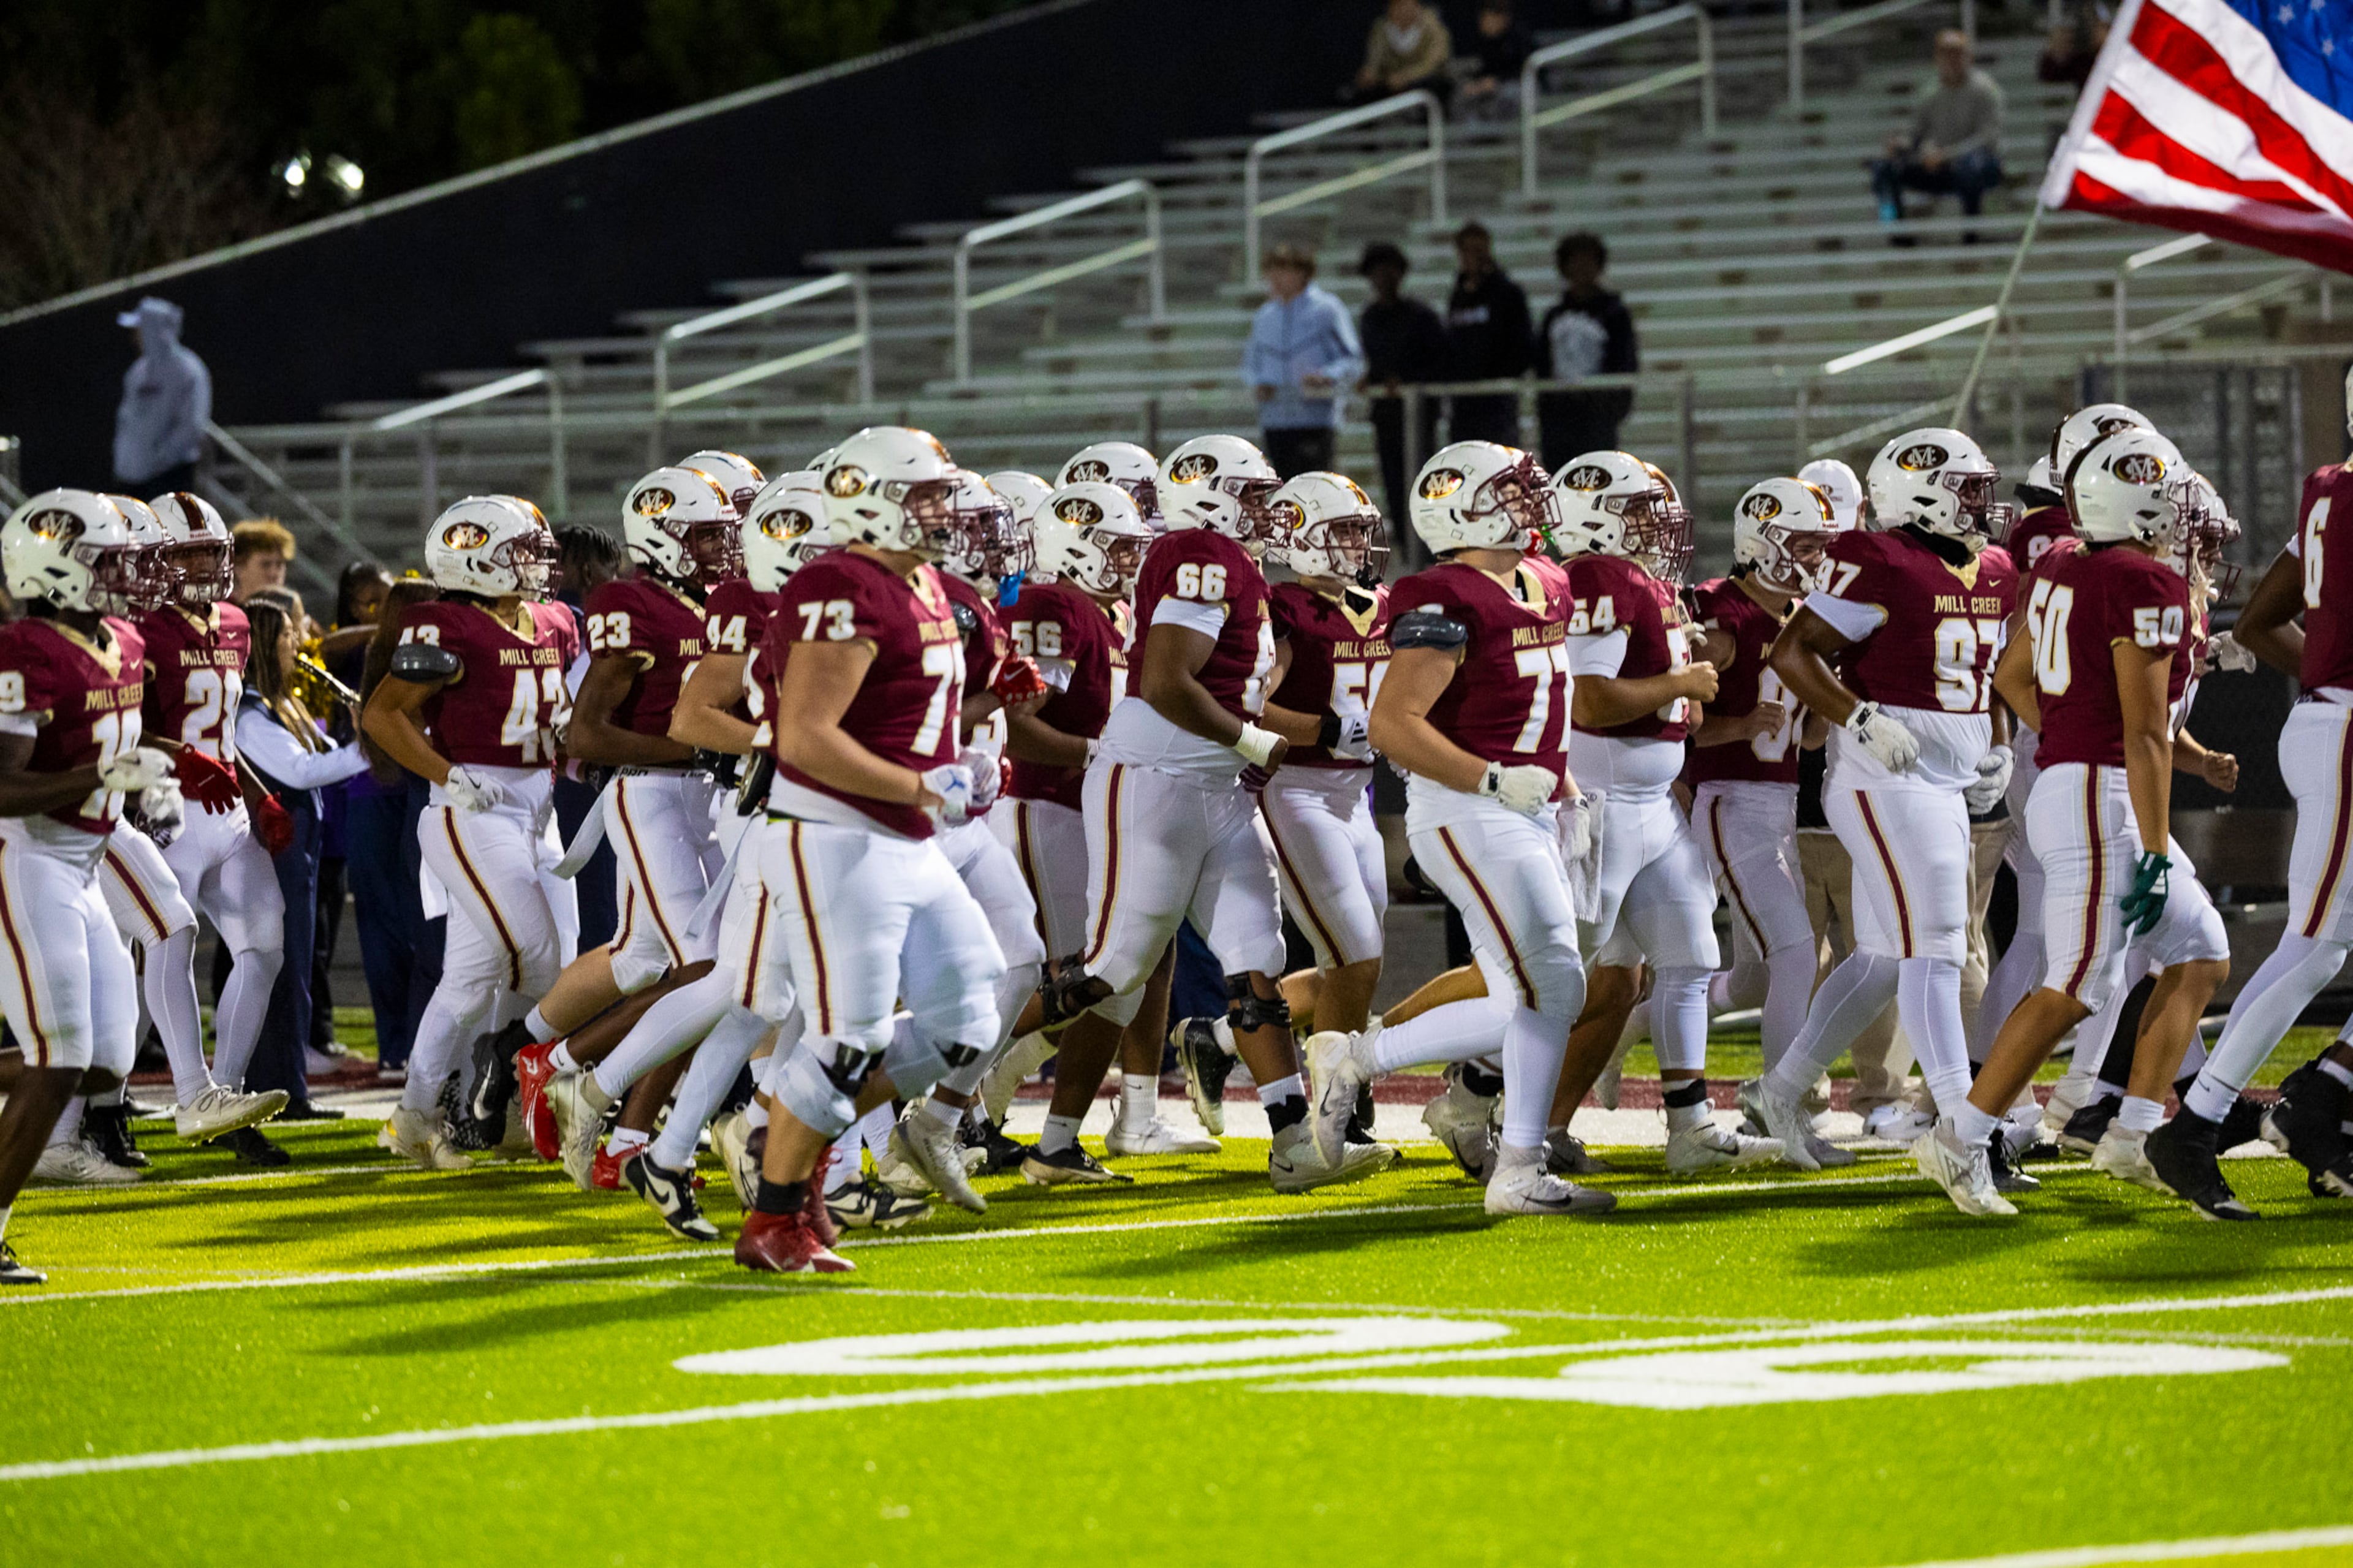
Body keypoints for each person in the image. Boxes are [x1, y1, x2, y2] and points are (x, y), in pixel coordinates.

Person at [1034, 434, 1389, 1194]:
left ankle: (1294, 1143)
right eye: (1253, 495)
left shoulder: (1236, 564)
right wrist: (1252, 737)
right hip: (1157, 775)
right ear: (1212, 495)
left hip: (1215, 788)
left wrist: (1246, 742)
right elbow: (1166, 681)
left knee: (1255, 958)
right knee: (1113, 969)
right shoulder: (1202, 552)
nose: (1267, 510)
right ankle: (946, 1092)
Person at [733, 425, 1010, 1275]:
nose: (941, 508)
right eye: (924, 493)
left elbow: (898, 717)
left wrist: (959, 759)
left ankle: (799, 1135)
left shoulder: (922, 581)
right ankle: (773, 1214)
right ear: (867, 496)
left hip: (904, 834)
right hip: (835, 836)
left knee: (969, 1018)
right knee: (847, 1035)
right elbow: (805, 735)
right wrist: (924, 785)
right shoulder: (838, 582)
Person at [1320, 441, 1610, 1214]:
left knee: (1531, 991)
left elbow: (1533, 708)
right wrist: (1489, 779)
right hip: (1468, 810)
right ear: (1463, 506)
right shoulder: (1442, 594)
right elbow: (1393, 723)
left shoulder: (1544, 580)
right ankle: (1511, 1163)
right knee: (1554, 985)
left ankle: (1372, 1068)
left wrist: (1569, 791)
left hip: (1526, 807)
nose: (1531, 505)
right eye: (1513, 494)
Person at [1753, 428, 2018, 1207]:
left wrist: (1995, 746)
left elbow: (1986, 674)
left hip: (1947, 776)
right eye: (1967, 489)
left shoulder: (1996, 568)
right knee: (1936, 950)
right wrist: (1859, 718)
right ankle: (1959, 1137)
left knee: (1880, 961)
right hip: (1884, 778)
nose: (1980, 504)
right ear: (1922, 491)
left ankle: (1783, 1090)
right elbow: (1793, 653)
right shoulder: (1878, 558)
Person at [2162, 368, 2353, 1208]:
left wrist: (2329, 673)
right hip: (2347, 730)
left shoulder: (2331, 490)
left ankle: (2323, 1099)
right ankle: (2198, 1120)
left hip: (2333, 716)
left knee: (2323, 943)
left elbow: (2262, 618)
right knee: (2314, 946)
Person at [0, 490, 186, 1282]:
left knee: (106, 1059)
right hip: (26, 851)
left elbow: (111, 753)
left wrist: (149, 783)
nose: (124, 576)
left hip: (86, 855)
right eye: (107, 561)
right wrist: (98, 774)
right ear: (58, 566)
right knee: (60, 1054)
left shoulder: (126, 642)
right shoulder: (23, 648)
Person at [360, 494, 578, 1170]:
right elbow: (382, 715)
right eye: (520, 552)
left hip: (538, 805)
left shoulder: (553, 621)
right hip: (472, 808)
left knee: (471, 977)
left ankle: (415, 1117)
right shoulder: (447, 625)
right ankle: (492, 1089)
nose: (536, 565)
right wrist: (446, 774)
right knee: (537, 957)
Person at [1690, 479, 1839, 1112]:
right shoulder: (1724, 616)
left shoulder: (1798, 621)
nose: (1814, 559)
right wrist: (1737, 725)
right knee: (1798, 953)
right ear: (1763, 543)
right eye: (1803, 545)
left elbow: (1806, 741)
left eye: (1818, 546)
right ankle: (1780, 1102)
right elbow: (1681, 723)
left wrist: (1835, 692)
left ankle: (1624, 1032)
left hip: (1777, 806)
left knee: (1752, 978)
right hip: (1729, 800)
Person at [237, 594, 371, 1118]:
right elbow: (301, 772)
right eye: (289, 635)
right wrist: (366, 747)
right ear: (267, 645)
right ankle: (277, 1087)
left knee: (296, 968)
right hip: (280, 851)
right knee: (284, 967)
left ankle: (289, 1085)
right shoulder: (250, 713)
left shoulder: (280, 704)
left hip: (302, 849)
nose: (299, 642)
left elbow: (313, 757)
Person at [350, 578, 442, 1077]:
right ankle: (411, 1050)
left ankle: (402, 1045)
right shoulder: (406, 659)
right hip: (410, 799)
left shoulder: (381, 651)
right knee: (419, 933)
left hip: (397, 797)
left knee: (407, 931)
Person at [1243, 246, 1365, 480]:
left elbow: (1352, 358)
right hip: (1275, 420)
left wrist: (1327, 376)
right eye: (1272, 271)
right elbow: (1251, 365)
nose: (1275, 278)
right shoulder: (1264, 316)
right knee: (1282, 488)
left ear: (1303, 273)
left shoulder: (1327, 309)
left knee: (1315, 485)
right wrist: (1260, 383)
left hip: (1315, 418)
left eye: (1283, 270)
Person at [1357, 241, 1450, 542]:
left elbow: (1439, 363)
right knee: (1394, 483)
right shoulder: (1370, 318)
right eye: (1376, 272)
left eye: (1389, 270)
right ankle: (1405, 544)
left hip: (1418, 415)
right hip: (1385, 415)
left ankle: (1428, 543)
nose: (1383, 278)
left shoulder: (1421, 316)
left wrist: (1408, 382)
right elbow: (1375, 362)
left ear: (1401, 273)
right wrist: (1370, 380)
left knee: (1422, 480)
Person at [1871, 30, 2006, 230]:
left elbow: (1988, 138)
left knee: (1972, 165)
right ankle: (1893, 226)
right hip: (1937, 164)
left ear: (1968, 57)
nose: (1952, 60)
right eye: (1946, 54)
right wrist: (1901, 144)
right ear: (1938, 58)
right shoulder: (1929, 93)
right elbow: (1915, 132)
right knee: (1885, 168)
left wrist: (1948, 155)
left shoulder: (1986, 89)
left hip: (1979, 164)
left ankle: (1972, 231)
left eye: (1957, 54)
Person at [1534, 233, 1639, 470]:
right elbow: (1542, 367)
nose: (1581, 268)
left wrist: (1610, 409)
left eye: (1588, 261)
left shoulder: (1615, 314)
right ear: (1564, 266)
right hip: (1558, 424)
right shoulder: (1553, 316)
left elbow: (1625, 362)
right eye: (1575, 261)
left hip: (1597, 422)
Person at [1445, 223, 1533, 447]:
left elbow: (1522, 344)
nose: (1475, 257)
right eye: (1468, 251)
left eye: (1479, 250)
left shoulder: (1508, 294)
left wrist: (1501, 376)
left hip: (1497, 402)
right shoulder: (1458, 297)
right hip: (1464, 403)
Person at [112, 298, 210, 494]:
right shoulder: (137, 372)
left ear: (154, 328)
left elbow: (193, 424)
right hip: (131, 480)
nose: (135, 337)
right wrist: (126, 463)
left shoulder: (188, 369)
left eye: (139, 330)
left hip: (169, 478)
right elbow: (127, 421)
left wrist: (158, 459)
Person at [1345, 0, 1452, 108]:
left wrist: (1406, 76)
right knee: (1363, 90)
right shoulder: (1381, 27)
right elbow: (1375, 59)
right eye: (1397, 6)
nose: (1402, 10)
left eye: (1406, 5)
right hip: (1390, 82)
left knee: (1437, 86)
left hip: (1424, 81)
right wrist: (1371, 72)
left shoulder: (1434, 28)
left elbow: (1434, 63)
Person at [1458, 1, 1535, 119]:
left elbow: (1524, 70)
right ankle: (1474, 133)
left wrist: (1498, 81)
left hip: (1519, 86)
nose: (1483, 23)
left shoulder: (1520, 39)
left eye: (1488, 18)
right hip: (1492, 89)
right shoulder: (1485, 42)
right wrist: (1477, 84)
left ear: (1502, 19)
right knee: (1464, 94)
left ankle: (1505, 133)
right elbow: (1483, 69)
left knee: (1509, 93)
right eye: (1482, 18)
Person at [230, 519, 295, 605]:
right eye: (266, 565)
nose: (274, 574)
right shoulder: (217, 614)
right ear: (238, 566)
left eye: (280, 565)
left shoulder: (294, 616)